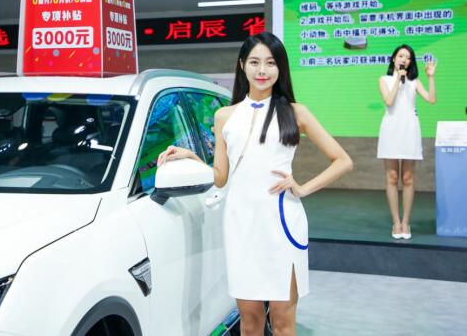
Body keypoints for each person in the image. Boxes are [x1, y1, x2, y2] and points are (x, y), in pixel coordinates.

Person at [157, 32, 353, 336]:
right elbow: (221, 176)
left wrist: (302, 188)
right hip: (241, 226)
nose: (262, 70)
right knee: (249, 323)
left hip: (282, 224)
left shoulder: (296, 112)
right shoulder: (224, 116)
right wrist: (192, 157)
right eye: (255, 62)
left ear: (280, 67)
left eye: (271, 63)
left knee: (283, 323)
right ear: (242, 65)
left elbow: (342, 160)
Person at [377, 44, 437, 240]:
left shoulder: (414, 81)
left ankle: (406, 222)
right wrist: (398, 80)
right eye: (401, 56)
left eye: (408, 57)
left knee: (408, 178)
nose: (404, 59)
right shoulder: (384, 79)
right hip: (391, 130)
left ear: (411, 62)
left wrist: (430, 77)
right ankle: (396, 221)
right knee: (392, 177)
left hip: (410, 130)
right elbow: (389, 101)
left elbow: (431, 99)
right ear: (394, 59)